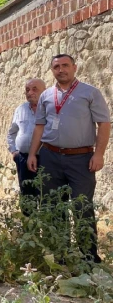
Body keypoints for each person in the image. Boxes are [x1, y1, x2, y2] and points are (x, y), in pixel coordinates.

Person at [27, 54, 110, 262]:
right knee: (53, 204)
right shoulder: (47, 95)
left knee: (82, 205)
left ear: (74, 67)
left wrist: (99, 154)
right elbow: (40, 126)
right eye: (56, 66)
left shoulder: (90, 93)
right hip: (50, 156)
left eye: (65, 65)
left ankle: (88, 256)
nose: (61, 69)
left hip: (81, 158)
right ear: (52, 70)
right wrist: (32, 153)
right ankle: (58, 253)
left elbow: (104, 124)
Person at [6, 78, 46, 216]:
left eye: (35, 89)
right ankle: (30, 230)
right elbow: (12, 132)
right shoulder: (20, 109)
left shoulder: (50, 109)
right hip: (23, 158)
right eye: (27, 90)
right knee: (27, 194)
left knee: (45, 194)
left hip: (46, 159)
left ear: (44, 92)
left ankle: (47, 231)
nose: (30, 93)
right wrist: (14, 151)